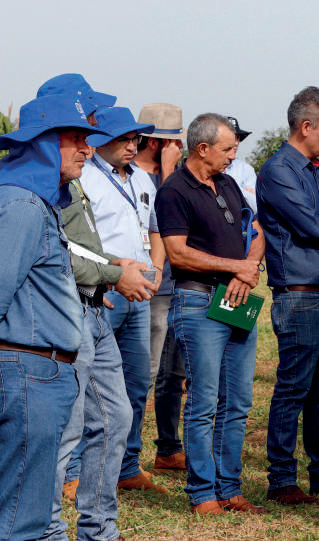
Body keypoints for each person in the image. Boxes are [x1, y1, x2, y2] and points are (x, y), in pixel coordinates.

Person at [38, 81, 145, 541]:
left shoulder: (72, 172)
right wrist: (113, 274)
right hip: (66, 313)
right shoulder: (39, 180)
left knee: (115, 417)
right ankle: (46, 528)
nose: (96, 127)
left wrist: (110, 267)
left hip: (93, 310)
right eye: (90, 116)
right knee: (66, 427)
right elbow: (55, 253)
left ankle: (99, 528)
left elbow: (79, 245)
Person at [0, 92, 104, 541]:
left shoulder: (35, 201)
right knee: (20, 520)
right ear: (43, 142)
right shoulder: (22, 206)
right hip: (28, 372)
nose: (86, 149)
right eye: (75, 138)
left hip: (40, 371)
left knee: (29, 510)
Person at [155, 113, 267, 515]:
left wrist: (247, 270)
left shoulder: (229, 183)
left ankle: (230, 489)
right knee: (203, 402)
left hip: (237, 299)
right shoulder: (174, 191)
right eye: (228, 148)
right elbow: (178, 253)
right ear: (202, 148)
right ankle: (202, 493)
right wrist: (235, 267)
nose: (233, 155)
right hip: (198, 301)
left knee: (237, 401)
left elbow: (257, 232)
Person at [258, 86, 319, 506]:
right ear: (306, 126)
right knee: (293, 390)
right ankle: (282, 479)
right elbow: (318, 228)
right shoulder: (278, 170)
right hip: (299, 297)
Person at [78, 106, 167, 494]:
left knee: (136, 382)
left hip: (140, 294)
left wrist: (157, 267)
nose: (133, 146)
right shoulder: (84, 178)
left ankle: (127, 465)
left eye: (137, 139)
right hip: (104, 294)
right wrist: (107, 278)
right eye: (124, 139)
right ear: (100, 141)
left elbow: (155, 228)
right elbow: (80, 243)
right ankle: (75, 471)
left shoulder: (143, 178)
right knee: (88, 383)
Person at [134, 102, 189, 473]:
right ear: (156, 142)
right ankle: (126, 456)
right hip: (147, 287)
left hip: (178, 284)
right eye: (175, 142)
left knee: (174, 374)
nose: (180, 148)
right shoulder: (133, 176)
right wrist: (169, 172)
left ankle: (168, 447)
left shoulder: (180, 176)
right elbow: (167, 215)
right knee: (145, 373)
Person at [225, 116, 257, 211]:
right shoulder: (210, 168)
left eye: (237, 138)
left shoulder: (246, 169)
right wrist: (244, 192)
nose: (236, 143)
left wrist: (232, 188)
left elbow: (254, 206)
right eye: (232, 137)